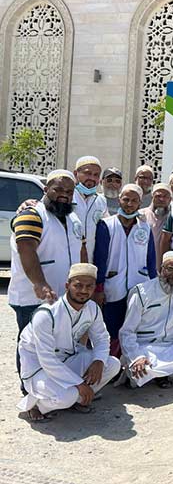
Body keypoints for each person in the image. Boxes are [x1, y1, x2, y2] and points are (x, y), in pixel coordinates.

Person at [16, 263, 120, 422]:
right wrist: (79, 383)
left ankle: (80, 398)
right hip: (39, 369)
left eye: (89, 286)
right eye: (78, 285)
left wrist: (99, 361)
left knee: (112, 364)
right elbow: (47, 360)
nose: (84, 290)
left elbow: (101, 338)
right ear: (67, 286)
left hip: (67, 359)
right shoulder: (46, 314)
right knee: (69, 395)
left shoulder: (92, 308)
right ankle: (37, 406)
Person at [9, 170, 83, 380]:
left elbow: (81, 249)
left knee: (57, 346)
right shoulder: (31, 214)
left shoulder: (73, 218)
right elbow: (26, 248)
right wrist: (40, 283)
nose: (64, 195)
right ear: (46, 189)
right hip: (34, 296)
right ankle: (29, 395)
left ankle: (55, 390)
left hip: (63, 296)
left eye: (69, 191)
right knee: (31, 346)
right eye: (58, 189)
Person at [118, 251, 173, 388]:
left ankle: (157, 374)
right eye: (170, 269)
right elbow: (127, 332)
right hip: (145, 347)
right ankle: (152, 371)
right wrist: (137, 357)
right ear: (161, 269)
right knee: (144, 366)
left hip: (172, 345)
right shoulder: (142, 292)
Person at [93, 184, 157, 356]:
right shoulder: (106, 225)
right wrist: (98, 288)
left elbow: (151, 260)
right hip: (112, 286)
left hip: (139, 286)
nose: (129, 204)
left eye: (134, 200)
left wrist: (153, 287)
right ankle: (111, 364)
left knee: (135, 327)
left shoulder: (145, 228)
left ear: (140, 203)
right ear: (119, 199)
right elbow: (100, 259)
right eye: (126, 199)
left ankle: (131, 366)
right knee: (112, 327)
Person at [72, 156, 108, 263]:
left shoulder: (101, 201)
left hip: (89, 262)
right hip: (67, 260)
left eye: (96, 175)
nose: (92, 178)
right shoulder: (66, 196)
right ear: (75, 174)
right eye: (87, 173)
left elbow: (109, 225)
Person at [140, 183, 172, 265]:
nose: (161, 199)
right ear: (152, 197)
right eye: (158, 196)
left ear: (170, 199)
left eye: (165, 196)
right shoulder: (141, 215)